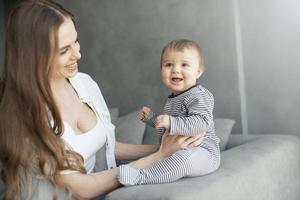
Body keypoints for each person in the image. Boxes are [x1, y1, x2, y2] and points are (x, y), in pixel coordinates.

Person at [0, 1, 205, 199]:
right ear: (33, 56)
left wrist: (167, 148)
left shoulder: (83, 83)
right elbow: (83, 188)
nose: (78, 54)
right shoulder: (24, 114)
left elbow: (106, 146)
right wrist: (158, 157)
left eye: (76, 42)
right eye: (64, 50)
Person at [117, 39, 220, 186]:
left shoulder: (198, 95)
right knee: (171, 158)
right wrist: (152, 119)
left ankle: (141, 177)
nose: (176, 70)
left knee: (183, 160)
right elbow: (170, 127)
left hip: (203, 151)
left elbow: (201, 123)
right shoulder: (173, 98)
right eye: (168, 65)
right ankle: (143, 170)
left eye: (184, 65)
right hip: (177, 148)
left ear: (198, 71)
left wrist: (171, 122)